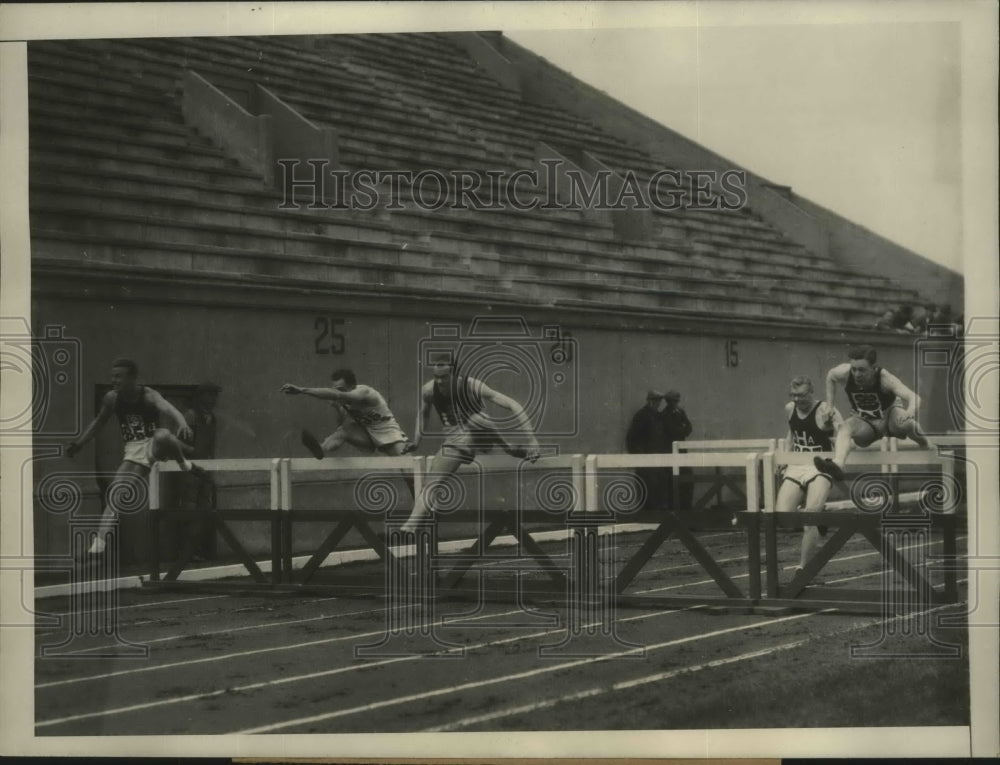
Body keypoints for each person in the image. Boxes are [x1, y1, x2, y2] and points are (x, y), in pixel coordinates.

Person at [65, 358, 202, 556]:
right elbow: (98, 423)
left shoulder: (148, 395)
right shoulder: (112, 398)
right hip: (133, 450)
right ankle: (99, 543)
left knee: (163, 434)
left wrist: (182, 422)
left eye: (119, 377)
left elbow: (169, 408)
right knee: (115, 495)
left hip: (153, 445)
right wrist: (79, 444)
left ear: (132, 378)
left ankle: (184, 463)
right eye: (112, 377)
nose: (114, 381)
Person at [399, 358, 541, 532]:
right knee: (433, 483)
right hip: (455, 444)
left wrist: (531, 439)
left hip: (482, 436)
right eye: (436, 376)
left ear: (455, 376)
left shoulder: (471, 385)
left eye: (444, 377)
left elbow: (513, 405)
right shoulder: (429, 390)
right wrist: (416, 441)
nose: (439, 381)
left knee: (477, 420)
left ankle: (508, 447)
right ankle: (411, 525)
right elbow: (423, 414)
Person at [814, 345, 930, 482]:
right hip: (866, 423)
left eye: (862, 370)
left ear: (873, 368)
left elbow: (914, 397)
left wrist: (910, 411)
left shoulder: (885, 379)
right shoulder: (844, 373)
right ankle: (838, 464)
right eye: (854, 369)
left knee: (903, 422)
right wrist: (829, 406)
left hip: (890, 417)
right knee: (845, 427)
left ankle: (925, 443)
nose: (857, 374)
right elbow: (830, 376)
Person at [775, 376, 843, 571]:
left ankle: (803, 567)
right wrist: (786, 458)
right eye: (794, 395)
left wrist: (833, 431)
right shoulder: (790, 409)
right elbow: (791, 435)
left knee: (809, 518)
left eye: (802, 396)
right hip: (797, 465)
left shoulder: (825, 410)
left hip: (819, 466)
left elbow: (843, 432)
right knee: (784, 517)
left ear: (811, 392)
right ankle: (821, 514)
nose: (798, 400)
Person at [280, 368, 413, 458]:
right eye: (335, 389)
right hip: (368, 436)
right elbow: (342, 423)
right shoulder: (344, 403)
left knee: (409, 470)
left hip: (390, 433)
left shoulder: (365, 392)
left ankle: (421, 495)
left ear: (352, 387)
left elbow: (336, 394)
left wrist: (302, 390)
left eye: (341, 389)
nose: (338, 392)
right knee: (343, 430)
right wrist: (338, 408)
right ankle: (321, 449)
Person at [178, 381, 221, 561]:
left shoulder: (212, 418)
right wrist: (193, 453)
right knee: (190, 508)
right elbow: (177, 442)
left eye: (214, 395)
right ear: (200, 396)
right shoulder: (190, 416)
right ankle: (187, 552)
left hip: (206, 470)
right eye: (208, 395)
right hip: (190, 470)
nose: (212, 399)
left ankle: (200, 550)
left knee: (205, 508)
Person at [625, 390, 672, 511]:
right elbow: (632, 438)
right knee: (647, 489)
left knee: (659, 488)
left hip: (658, 459)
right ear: (650, 401)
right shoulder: (641, 416)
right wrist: (640, 457)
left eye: (659, 401)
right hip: (646, 461)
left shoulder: (658, 416)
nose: (658, 403)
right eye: (656, 401)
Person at [662, 390, 694, 510]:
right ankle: (676, 508)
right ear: (669, 402)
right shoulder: (665, 414)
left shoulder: (680, 412)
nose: (675, 403)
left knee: (686, 478)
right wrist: (682, 429)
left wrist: (682, 429)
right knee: (674, 480)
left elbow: (689, 427)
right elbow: (672, 431)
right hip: (671, 451)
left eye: (676, 401)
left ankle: (686, 507)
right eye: (673, 401)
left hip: (682, 451)